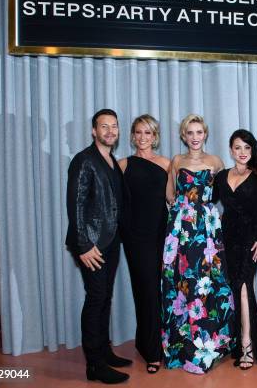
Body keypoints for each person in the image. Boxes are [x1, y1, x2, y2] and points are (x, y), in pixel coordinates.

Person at [160, 114, 234, 374]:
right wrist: (181, 211)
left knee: (205, 283)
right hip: (180, 231)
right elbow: (169, 193)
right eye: (189, 132)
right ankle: (181, 349)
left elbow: (228, 193)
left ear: (205, 134)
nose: (194, 137)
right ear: (183, 135)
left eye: (199, 132)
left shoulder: (215, 161)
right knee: (181, 282)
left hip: (205, 230)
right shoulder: (177, 161)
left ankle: (206, 347)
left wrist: (211, 215)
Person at [66, 109, 132, 384]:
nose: (109, 131)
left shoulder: (111, 160)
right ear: (94, 131)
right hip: (91, 244)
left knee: (104, 297)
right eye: (103, 127)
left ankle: (104, 352)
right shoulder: (84, 160)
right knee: (96, 299)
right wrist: (83, 244)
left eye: (114, 127)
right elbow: (76, 204)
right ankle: (94, 365)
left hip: (110, 240)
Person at [212, 130, 257, 370]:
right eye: (237, 148)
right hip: (226, 239)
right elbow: (207, 203)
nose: (242, 152)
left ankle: (246, 344)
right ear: (230, 150)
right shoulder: (220, 177)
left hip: (250, 240)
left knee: (243, 286)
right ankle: (247, 337)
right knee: (236, 288)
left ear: (252, 151)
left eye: (247, 148)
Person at [118, 115, 170, 374]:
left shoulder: (167, 164)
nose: (142, 137)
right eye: (138, 132)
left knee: (163, 291)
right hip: (136, 238)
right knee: (146, 290)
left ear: (155, 136)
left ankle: (152, 342)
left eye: (147, 133)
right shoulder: (123, 165)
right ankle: (152, 351)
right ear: (132, 135)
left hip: (163, 235)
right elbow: (113, 202)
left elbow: (176, 200)